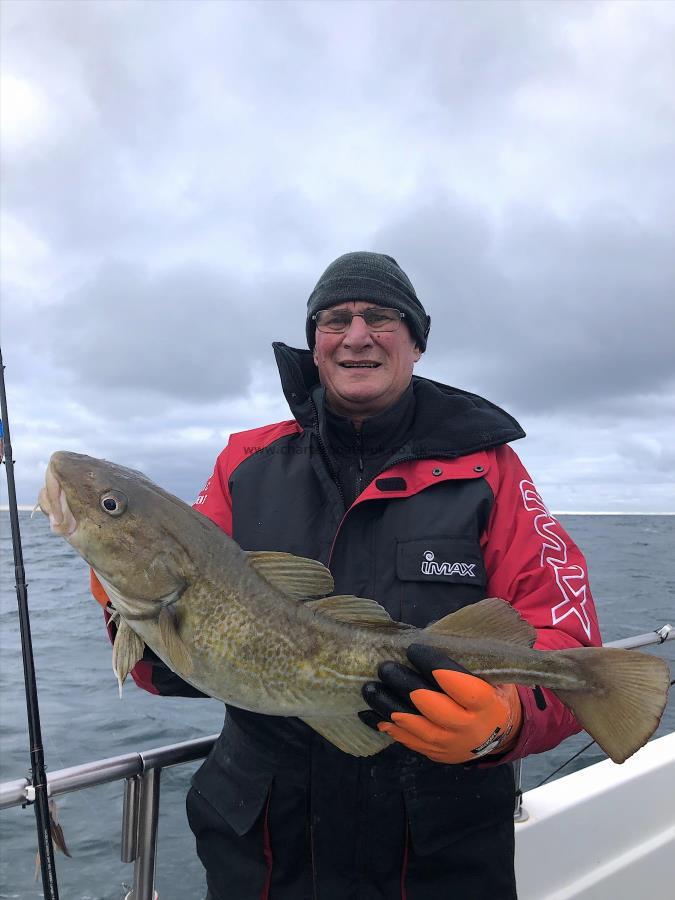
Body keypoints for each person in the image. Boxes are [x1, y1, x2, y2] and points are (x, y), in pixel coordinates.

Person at [94, 251, 601, 899]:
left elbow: (571, 644)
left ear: (416, 342)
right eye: (334, 320)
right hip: (267, 852)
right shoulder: (243, 463)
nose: (356, 335)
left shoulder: (490, 471)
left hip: (437, 852)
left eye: (381, 318)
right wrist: (115, 581)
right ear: (313, 345)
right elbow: (160, 670)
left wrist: (502, 722)